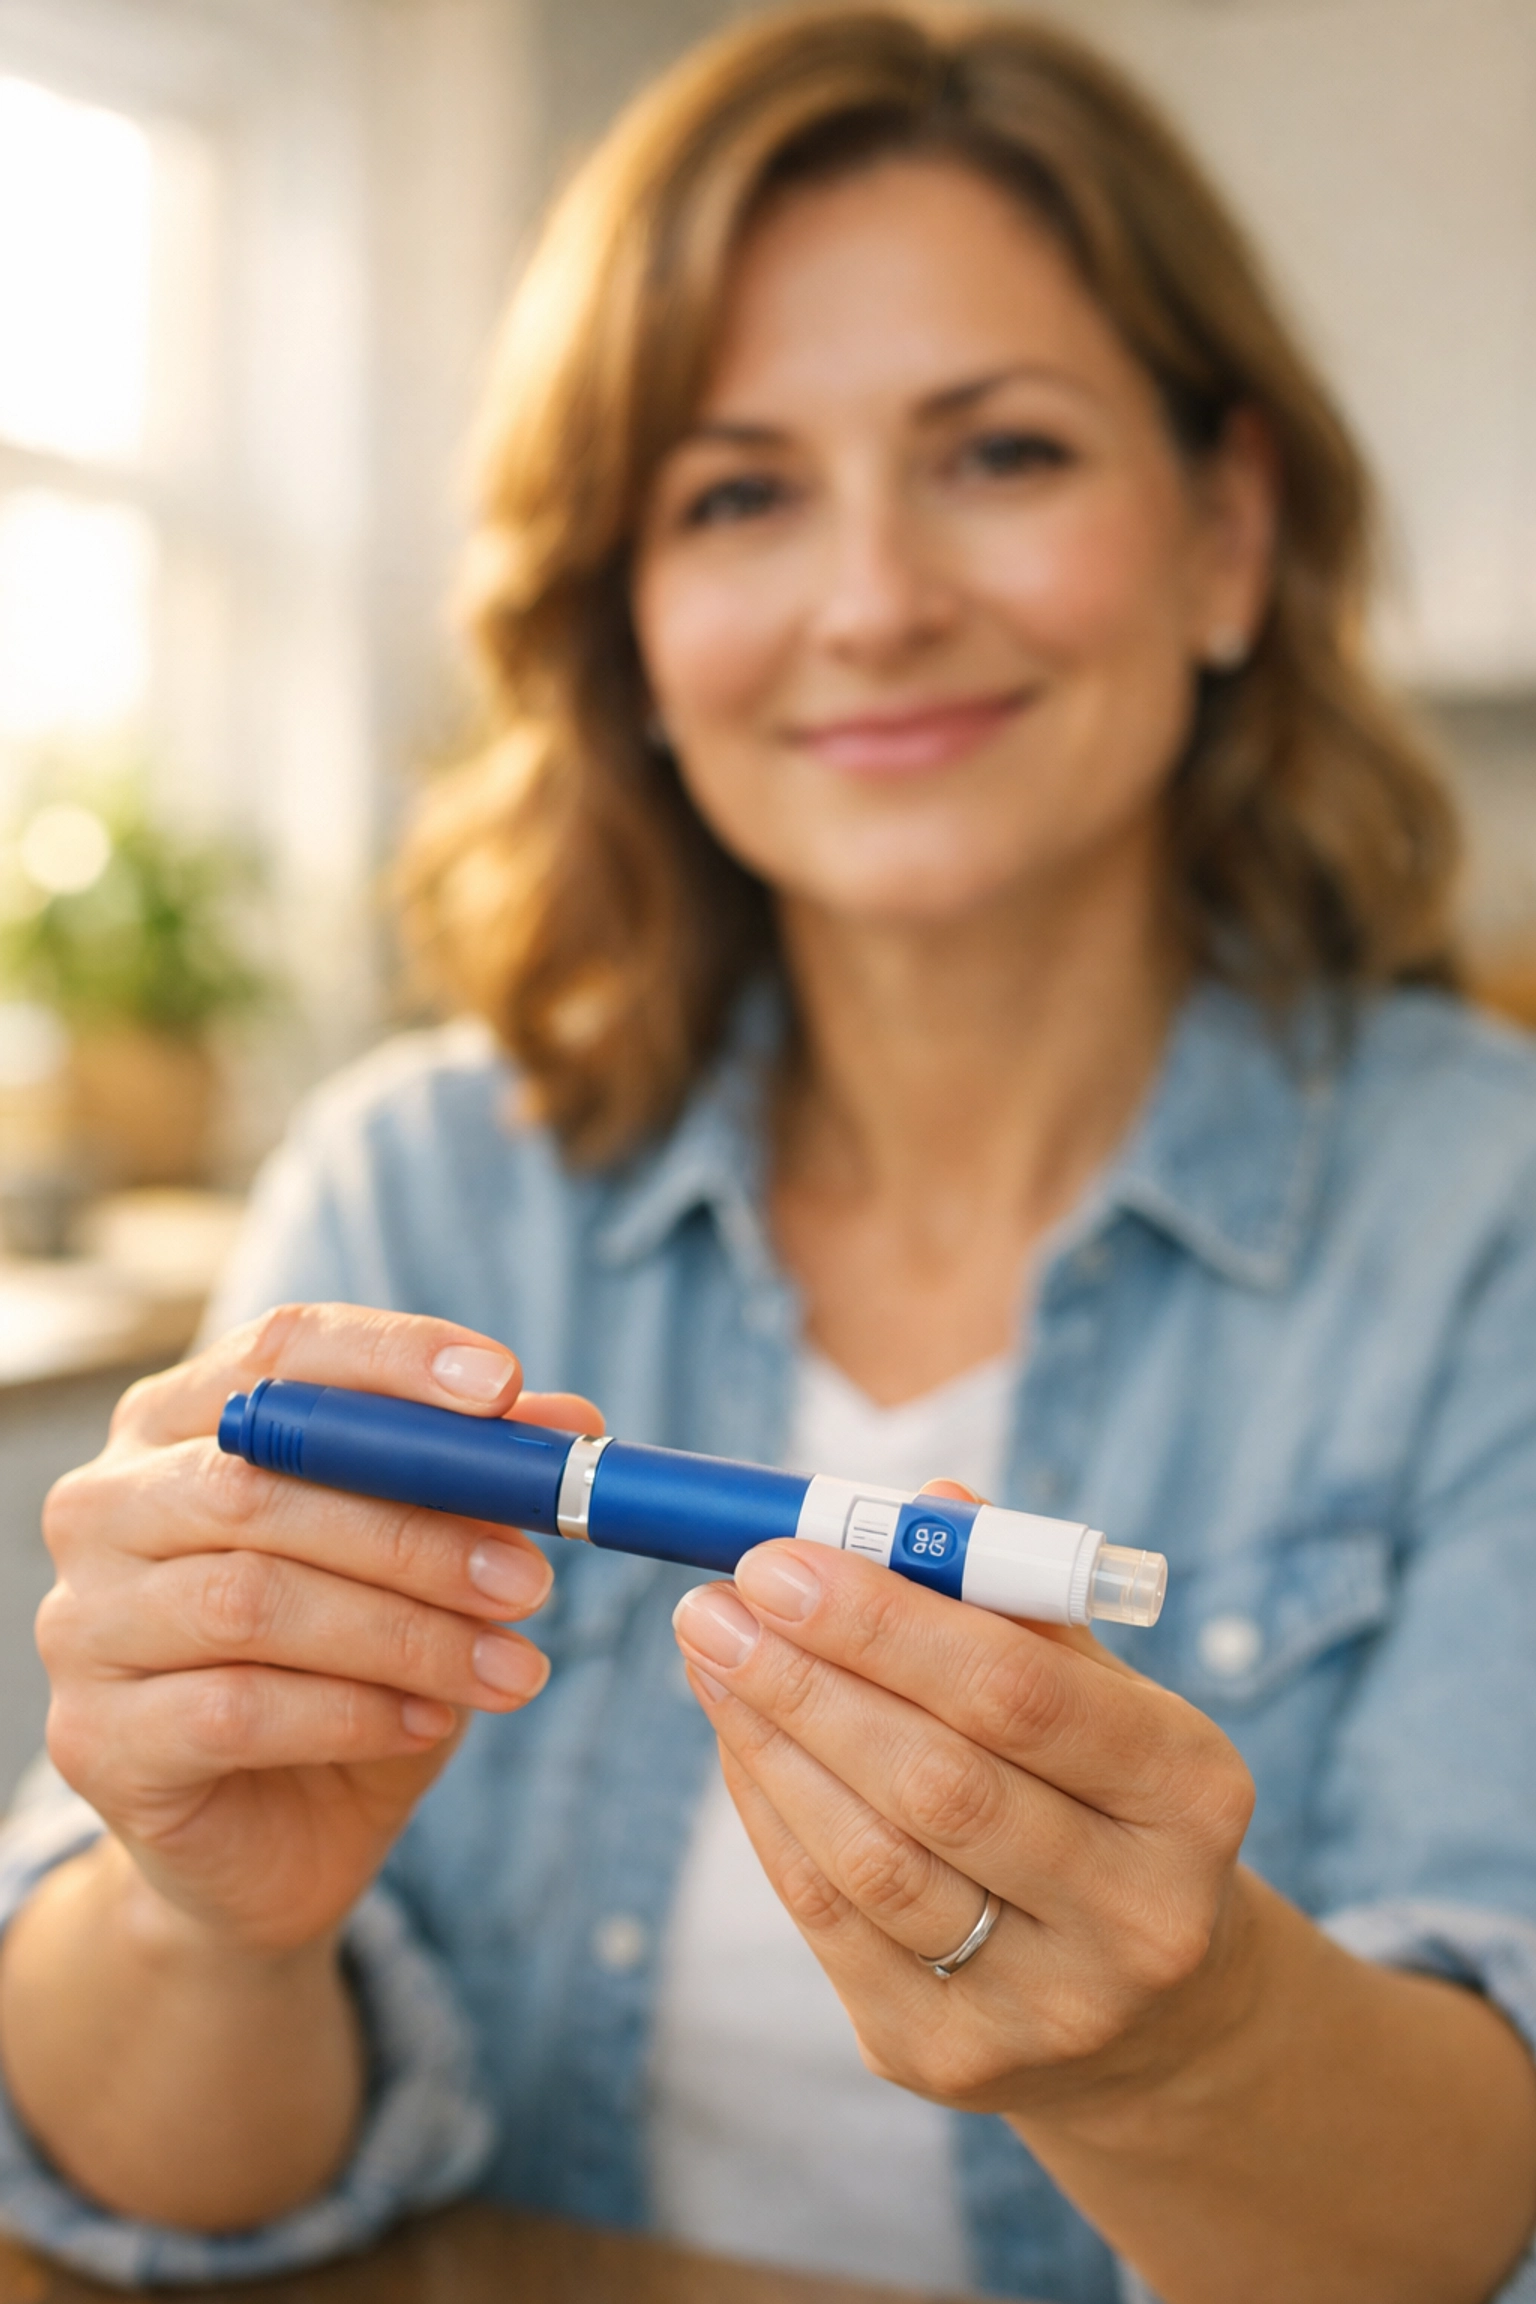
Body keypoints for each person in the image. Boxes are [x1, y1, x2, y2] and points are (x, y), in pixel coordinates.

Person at [2, 8, 1535, 2299]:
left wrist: (1185, 2043)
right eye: (737, 492)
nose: (873, 600)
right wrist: (210, 1916)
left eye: (1000, 453)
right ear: (623, 621)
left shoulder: (1491, 1221)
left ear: (1227, 535)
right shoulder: (414, 1193)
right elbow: (151, 2195)